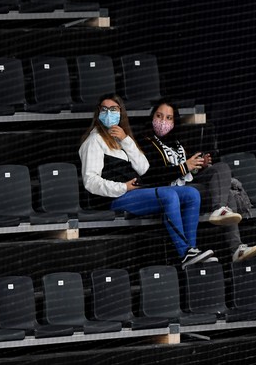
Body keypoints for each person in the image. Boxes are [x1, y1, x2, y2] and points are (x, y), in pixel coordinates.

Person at [79, 93, 214, 269]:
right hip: (114, 199)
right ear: (98, 113)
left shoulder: (121, 139)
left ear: (121, 112)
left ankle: (192, 249)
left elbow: (143, 168)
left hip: (134, 193)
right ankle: (184, 252)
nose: (108, 113)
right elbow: (90, 181)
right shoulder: (94, 141)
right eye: (104, 109)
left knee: (192, 194)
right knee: (169, 195)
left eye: (113, 109)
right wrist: (123, 187)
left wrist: (126, 140)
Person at [140, 99, 256, 263]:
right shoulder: (144, 143)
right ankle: (235, 246)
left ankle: (221, 212)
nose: (163, 121)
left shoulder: (177, 143)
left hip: (189, 184)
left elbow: (188, 172)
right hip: (170, 192)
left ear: (175, 122)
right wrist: (185, 166)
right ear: (152, 116)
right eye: (159, 116)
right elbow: (151, 174)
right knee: (229, 196)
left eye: (169, 118)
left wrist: (199, 165)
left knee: (221, 168)